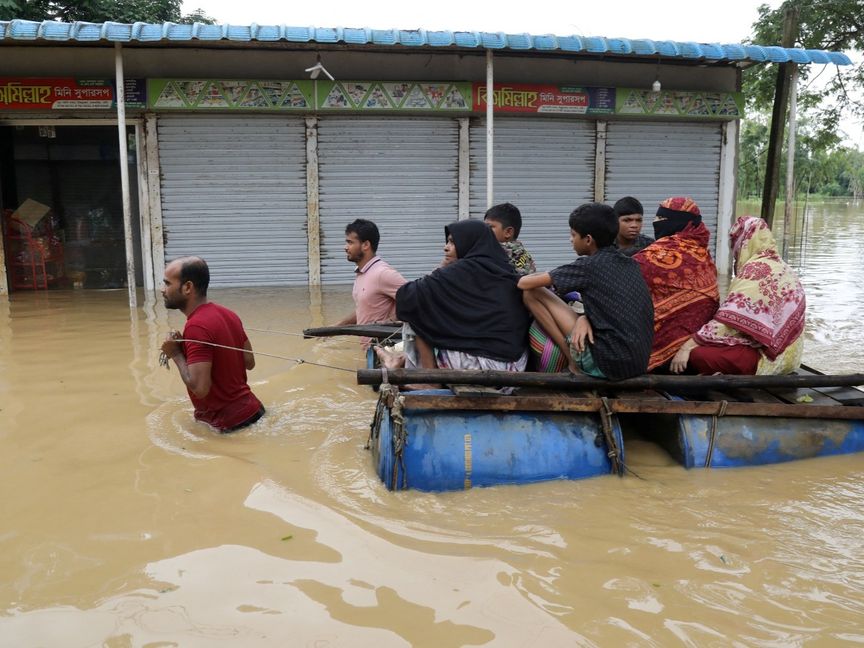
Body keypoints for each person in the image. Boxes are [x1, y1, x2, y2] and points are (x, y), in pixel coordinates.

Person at [518, 203, 654, 380]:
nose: (570, 240)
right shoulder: (631, 264)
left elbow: (524, 283)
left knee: (531, 293)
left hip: (606, 365)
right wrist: (584, 318)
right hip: (637, 364)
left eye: (573, 235)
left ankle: (572, 361)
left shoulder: (587, 266)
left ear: (588, 240)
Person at [389, 219, 530, 378]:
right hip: (513, 369)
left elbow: (405, 297)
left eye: (452, 242)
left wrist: (442, 267)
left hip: (476, 370)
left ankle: (427, 378)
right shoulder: (505, 269)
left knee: (416, 309)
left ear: (468, 243)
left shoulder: (459, 271)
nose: (446, 247)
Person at [670, 215, 806, 375]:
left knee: (698, 354)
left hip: (766, 361)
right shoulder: (783, 267)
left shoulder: (755, 270)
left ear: (744, 240)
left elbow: (728, 323)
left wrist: (687, 346)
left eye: (734, 241)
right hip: (790, 360)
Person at [160, 256, 265, 433]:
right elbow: (249, 362)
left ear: (187, 287)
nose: (162, 290)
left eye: (167, 284)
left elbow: (200, 389)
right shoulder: (228, 314)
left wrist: (176, 354)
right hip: (255, 411)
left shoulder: (195, 326)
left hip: (231, 426)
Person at [633, 196, 720, 372]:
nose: (655, 223)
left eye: (661, 219)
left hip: (658, 353)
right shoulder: (703, 255)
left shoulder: (650, 257)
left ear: (678, 222)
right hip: (696, 345)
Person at [334, 219, 406, 347]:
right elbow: (365, 310)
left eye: (350, 242)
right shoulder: (362, 273)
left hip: (382, 352)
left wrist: (390, 321)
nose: (345, 247)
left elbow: (417, 300)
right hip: (368, 351)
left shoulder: (383, 273)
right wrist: (336, 328)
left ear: (366, 245)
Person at [483, 202, 537, 276]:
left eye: (490, 227)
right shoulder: (522, 252)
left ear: (508, 232)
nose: (484, 230)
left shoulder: (496, 251)